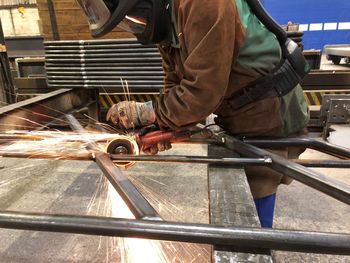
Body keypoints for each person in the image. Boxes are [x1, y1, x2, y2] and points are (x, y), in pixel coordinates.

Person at [76, 0, 310, 228]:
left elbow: (201, 94)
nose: (136, 26)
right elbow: (175, 79)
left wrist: (148, 112)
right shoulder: (169, 12)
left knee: (256, 187)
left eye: (133, 18)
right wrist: (164, 126)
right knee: (239, 193)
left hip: (268, 112)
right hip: (235, 109)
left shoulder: (205, 4)